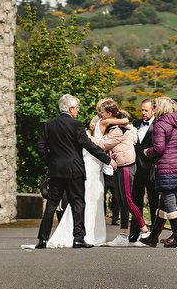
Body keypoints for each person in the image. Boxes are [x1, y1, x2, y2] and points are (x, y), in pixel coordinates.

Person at [34, 93, 111, 249]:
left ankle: (42, 239)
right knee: (78, 203)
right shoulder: (76, 125)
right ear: (70, 109)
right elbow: (88, 145)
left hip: (56, 171)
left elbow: (40, 148)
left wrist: (51, 161)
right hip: (74, 170)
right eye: (77, 108)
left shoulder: (48, 125)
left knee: (51, 204)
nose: (78, 111)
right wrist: (108, 159)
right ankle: (78, 238)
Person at [92, 97, 146, 244]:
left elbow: (103, 144)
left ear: (109, 113)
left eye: (102, 112)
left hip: (126, 166)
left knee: (128, 200)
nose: (100, 114)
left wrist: (88, 137)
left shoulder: (117, 129)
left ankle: (145, 231)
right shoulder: (115, 125)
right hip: (119, 166)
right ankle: (123, 235)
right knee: (122, 201)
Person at [141, 96, 177, 248]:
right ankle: (153, 236)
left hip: (167, 167)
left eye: (155, 106)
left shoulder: (160, 125)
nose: (153, 109)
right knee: (163, 204)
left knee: (170, 203)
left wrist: (146, 152)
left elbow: (159, 148)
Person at [129, 98, 156, 243]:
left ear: (153, 111)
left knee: (153, 202)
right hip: (136, 168)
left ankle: (153, 233)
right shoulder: (135, 124)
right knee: (135, 200)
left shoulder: (157, 126)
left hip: (151, 168)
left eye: (146, 110)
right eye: (142, 110)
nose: (143, 113)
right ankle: (134, 232)